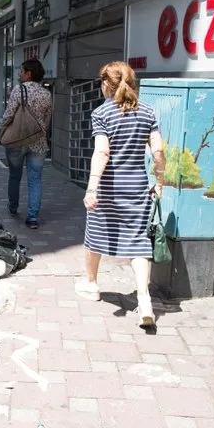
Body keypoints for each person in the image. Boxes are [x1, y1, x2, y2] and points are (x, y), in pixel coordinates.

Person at [75, 61, 165, 328]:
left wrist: (92, 188)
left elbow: (102, 152)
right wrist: (160, 181)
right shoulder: (148, 112)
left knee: (95, 235)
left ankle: (91, 284)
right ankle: (144, 299)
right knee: (139, 243)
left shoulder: (102, 113)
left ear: (106, 84)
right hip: (136, 186)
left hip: (108, 188)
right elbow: (158, 151)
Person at [0, 59, 52, 229]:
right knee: (35, 179)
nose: (19, 74)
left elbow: (9, 115)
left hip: (17, 140)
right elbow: (47, 119)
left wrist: (1, 132)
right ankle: (32, 218)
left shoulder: (18, 90)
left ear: (29, 73)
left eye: (21, 71)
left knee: (15, 175)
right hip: (38, 142)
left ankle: (13, 207)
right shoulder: (46, 94)